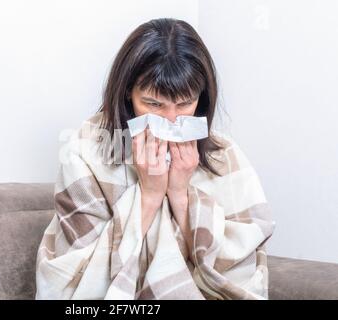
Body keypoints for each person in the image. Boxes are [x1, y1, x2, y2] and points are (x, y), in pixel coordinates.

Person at [35, 18, 275, 300]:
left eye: (185, 104)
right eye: (153, 104)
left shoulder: (222, 154)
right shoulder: (86, 150)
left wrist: (180, 195)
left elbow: (241, 270)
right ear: (127, 93)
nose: (172, 120)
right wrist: (149, 194)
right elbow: (73, 280)